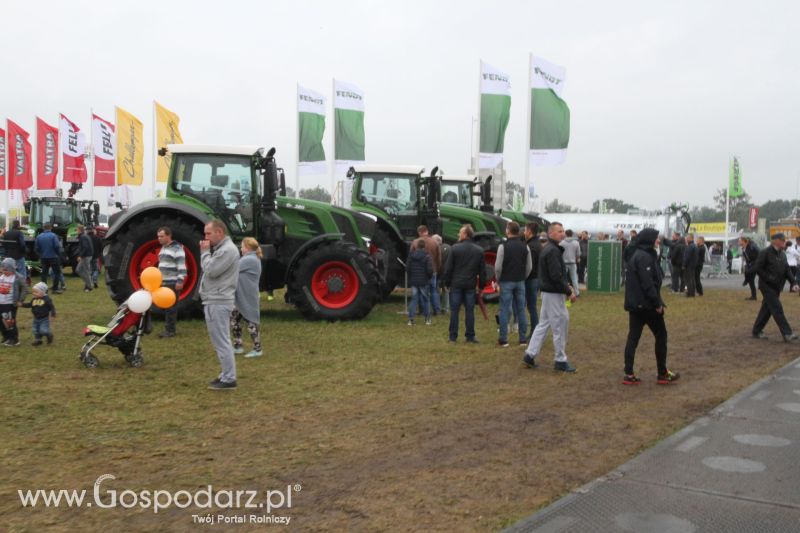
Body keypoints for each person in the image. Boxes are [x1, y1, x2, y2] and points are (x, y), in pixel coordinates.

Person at [621, 228, 679, 385]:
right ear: (649, 240)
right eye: (656, 238)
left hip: (635, 305)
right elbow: (648, 284)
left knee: (633, 337)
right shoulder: (644, 257)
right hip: (646, 306)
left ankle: (629, 373)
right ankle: (662, 373)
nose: (658, 241)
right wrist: (657, 304)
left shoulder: (638, 255)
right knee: (661, 335)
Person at [523, 222, 578, 372]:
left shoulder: (550, 249)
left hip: (549, 292)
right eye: (559, 231)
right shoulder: (552, 251)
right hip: (553, 293)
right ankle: (560, 360)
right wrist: (569, 291)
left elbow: (557, 275)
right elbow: (556, 276)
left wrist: (567, 287)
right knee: (560, 324)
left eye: (563, 231)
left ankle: (530, 354)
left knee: (544, 324)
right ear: (551, 233)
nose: (562, 233)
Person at [199, 220, 240, 390]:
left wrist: (204, 253)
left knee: (222, 341)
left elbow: (210, 270)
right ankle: (225, 374)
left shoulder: (227, 250)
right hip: (215, 299)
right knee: (220, 340)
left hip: (218, 300)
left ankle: (229, 378)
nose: (205, 238)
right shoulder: (223, 249)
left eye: (208, 233)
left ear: (220, 232)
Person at [442, 224, 486, 343]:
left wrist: (446, 283)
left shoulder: (455, 248)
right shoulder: (479, 250)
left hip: (456, 284)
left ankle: (453, 337)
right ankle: (470, 336)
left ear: (465, 234)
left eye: (460, 232)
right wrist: (482, 287)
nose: (458, 234)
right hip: (470, 285)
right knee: (470, 311)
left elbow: (448, 268)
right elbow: (482, 271)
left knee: (455, 311)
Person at [752, 233, 799, 342]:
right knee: (777, 308)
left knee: (767, 309)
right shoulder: (765, 252)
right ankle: (787, 334)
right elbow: (757, 268)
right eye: (782, 239)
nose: (784, 241)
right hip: (767, 286)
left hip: (777, 287)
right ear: (775, 241)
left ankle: (756, 330)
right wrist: (768, 277)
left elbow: (787, 270)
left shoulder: (782, 254)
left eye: (784, 239)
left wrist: (794, 283)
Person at [495, 221, 532, 347]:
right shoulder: (525, 246)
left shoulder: (502, 246)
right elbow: (529, 266)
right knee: (521, 309)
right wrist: (523, 277)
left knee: (504, 309)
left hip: (506, 281)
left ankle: (503, 339)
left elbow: (498, 267)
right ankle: (522, 339)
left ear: (508, 231)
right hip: (520, 281)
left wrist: (498, 279)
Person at [232, 237, 263, 357]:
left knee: (251, 322)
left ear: (248, 248)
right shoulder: (250, 258)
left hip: (248, 297)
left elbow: (232, 269)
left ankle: (257, 349)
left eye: (242, 246)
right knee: (235, 320)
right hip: (242, 297)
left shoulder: (249, 259)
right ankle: (238, 346)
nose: (241, 248)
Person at [156, 227, 187, 338]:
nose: (159, 239)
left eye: (162, 236)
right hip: (163, 283)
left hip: (172, 283)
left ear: (169, 236)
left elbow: (182, 266)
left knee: (171, 308)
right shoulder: (163, 248)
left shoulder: (177, 249)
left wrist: (180, 281)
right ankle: (168, 329)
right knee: (165, 307)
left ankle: (170, 331)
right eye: (158, 236)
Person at [414, 225, 442, 315]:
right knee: (434, 290)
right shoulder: (435, 242)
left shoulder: (415, 242)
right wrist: (437, 269)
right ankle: (437, 310)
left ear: (419, 232)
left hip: (420, 271)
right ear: (427, 231)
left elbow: (411, 256)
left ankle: (423, 310)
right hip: (433, 270)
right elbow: (439, 258)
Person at [0, 257, 26, 346]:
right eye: (3, 270)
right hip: (1, 303)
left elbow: (24, 289)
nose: (5, 272)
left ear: (12, 269)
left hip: (10, 303)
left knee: (10, 321)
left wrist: (20, 300)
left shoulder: (17, 277)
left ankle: (14, 339)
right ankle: (6, 337)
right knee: (2, 321)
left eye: (7, 270)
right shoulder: (1, 276)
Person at [407, 239, 434, 326]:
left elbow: (407, 268)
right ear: (424, 247)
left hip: (414, 280)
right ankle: (427, 319)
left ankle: (411, 320)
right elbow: (430, 270)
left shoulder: (411, 255)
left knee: (414, 300)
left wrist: (411, 277)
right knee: (426, 300)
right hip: (424, 281)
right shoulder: (427, 256)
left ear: (417, 246)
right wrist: (428, 278)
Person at [524, 222, 543, 334]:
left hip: (531, 279)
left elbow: (529, 266)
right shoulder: (538, 244)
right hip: (537, 278)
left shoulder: (531, 246)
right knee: (532, 306)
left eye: (525, 230)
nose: (524, 232)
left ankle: (534, 332)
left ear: (530, 231)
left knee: (531, 307)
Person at [35, 223, 64, 294]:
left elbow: (36, 248)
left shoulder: (39, 237)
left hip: (44, 257)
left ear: (43, 228)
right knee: (57, 273)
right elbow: (57, 246)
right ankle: (55, 289)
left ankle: (43, 289)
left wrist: (41, 255)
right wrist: (58, 254)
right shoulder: (53, 236)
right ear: (50, 228)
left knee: (44, 274)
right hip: (53, 257)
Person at [560, 229, 581, 296]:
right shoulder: (576, 243)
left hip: (564, 263)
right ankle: (577, 293)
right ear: (572, 234)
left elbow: (559, 253)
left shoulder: (561, 243)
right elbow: (578, 254)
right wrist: (576, 259)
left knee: (563, 278)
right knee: (574, 278)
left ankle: (564, 292)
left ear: (565, 234)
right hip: (573, 262)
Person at [75, 225, 94, 292]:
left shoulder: (83, 237)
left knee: (80, 270)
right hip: (88, 255)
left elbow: (85, 247)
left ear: (80, 230)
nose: (76, 231)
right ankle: (87, 285)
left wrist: (80, 256)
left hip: (86, 256)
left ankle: (89, 286)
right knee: (85, 271)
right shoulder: (85, 236)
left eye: (77, 229)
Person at [740, 236, 759, 300]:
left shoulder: (751, 247)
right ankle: (754, 296)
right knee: (751, 281)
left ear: (744, 241)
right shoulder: (743, 248)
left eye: (740, 240)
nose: (739, 242)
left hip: (756, 264)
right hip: (750, 264)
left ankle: (746, 280)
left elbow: (758, 252)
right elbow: (747, 258)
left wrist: (757, 262)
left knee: (747, 272)